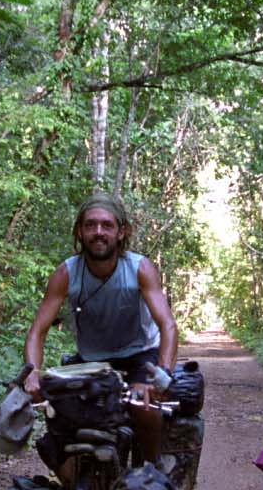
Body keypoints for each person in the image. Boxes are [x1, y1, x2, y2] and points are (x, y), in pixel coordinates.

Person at [23, 194, 179, 463]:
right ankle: (74, 482)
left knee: (144, 406)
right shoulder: (66, 273)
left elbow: (168, 325)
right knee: (61, 417)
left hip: (140, 355)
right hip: (91, 361)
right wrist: (32, 373)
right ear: (79, 232)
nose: (98, 232)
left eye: (107, 225)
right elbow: (37, 331)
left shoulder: (139, 268)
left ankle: (152, 469)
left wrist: (162, 374)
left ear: (121, 232)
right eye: (90, 225)